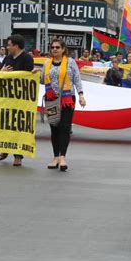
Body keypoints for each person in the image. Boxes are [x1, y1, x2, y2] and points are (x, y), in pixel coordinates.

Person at [41, 39, 85, 171]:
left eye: (57, 47)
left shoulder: (70, 62)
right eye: (52, 47)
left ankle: (63, 157)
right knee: (54, 127)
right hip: (52, 99)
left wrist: (81, 95)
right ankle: (55, 157)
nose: (55, 49)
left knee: (65, 127)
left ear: (63, 49)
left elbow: (77, 79)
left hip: (67, 99)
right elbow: (42, 80)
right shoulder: (46, 63)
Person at [0, 34, 36, 167]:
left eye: (9, 45)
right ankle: (5, 148)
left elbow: (27, 77)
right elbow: (0, 74)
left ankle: (18, 155)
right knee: (4, 124)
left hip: (20, 100)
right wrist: (2, 72)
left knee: (18, 126)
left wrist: (12, 75)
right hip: (6, 98)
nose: (7, 47)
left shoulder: (27, 59)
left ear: (16, 46)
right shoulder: (7, 58)